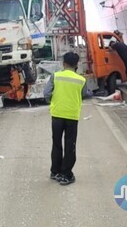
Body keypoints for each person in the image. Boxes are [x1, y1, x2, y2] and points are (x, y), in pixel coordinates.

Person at [43, 52, 86, 186]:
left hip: (57, 114)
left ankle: (55, 171)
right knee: (70, 144)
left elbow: (46, 93)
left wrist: (53, 102)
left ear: (64, 63)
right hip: (72, 116)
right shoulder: (81, 80)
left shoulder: (55, 76)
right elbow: (84, 94)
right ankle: (66, 174)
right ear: (76, 64)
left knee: (56, 143)